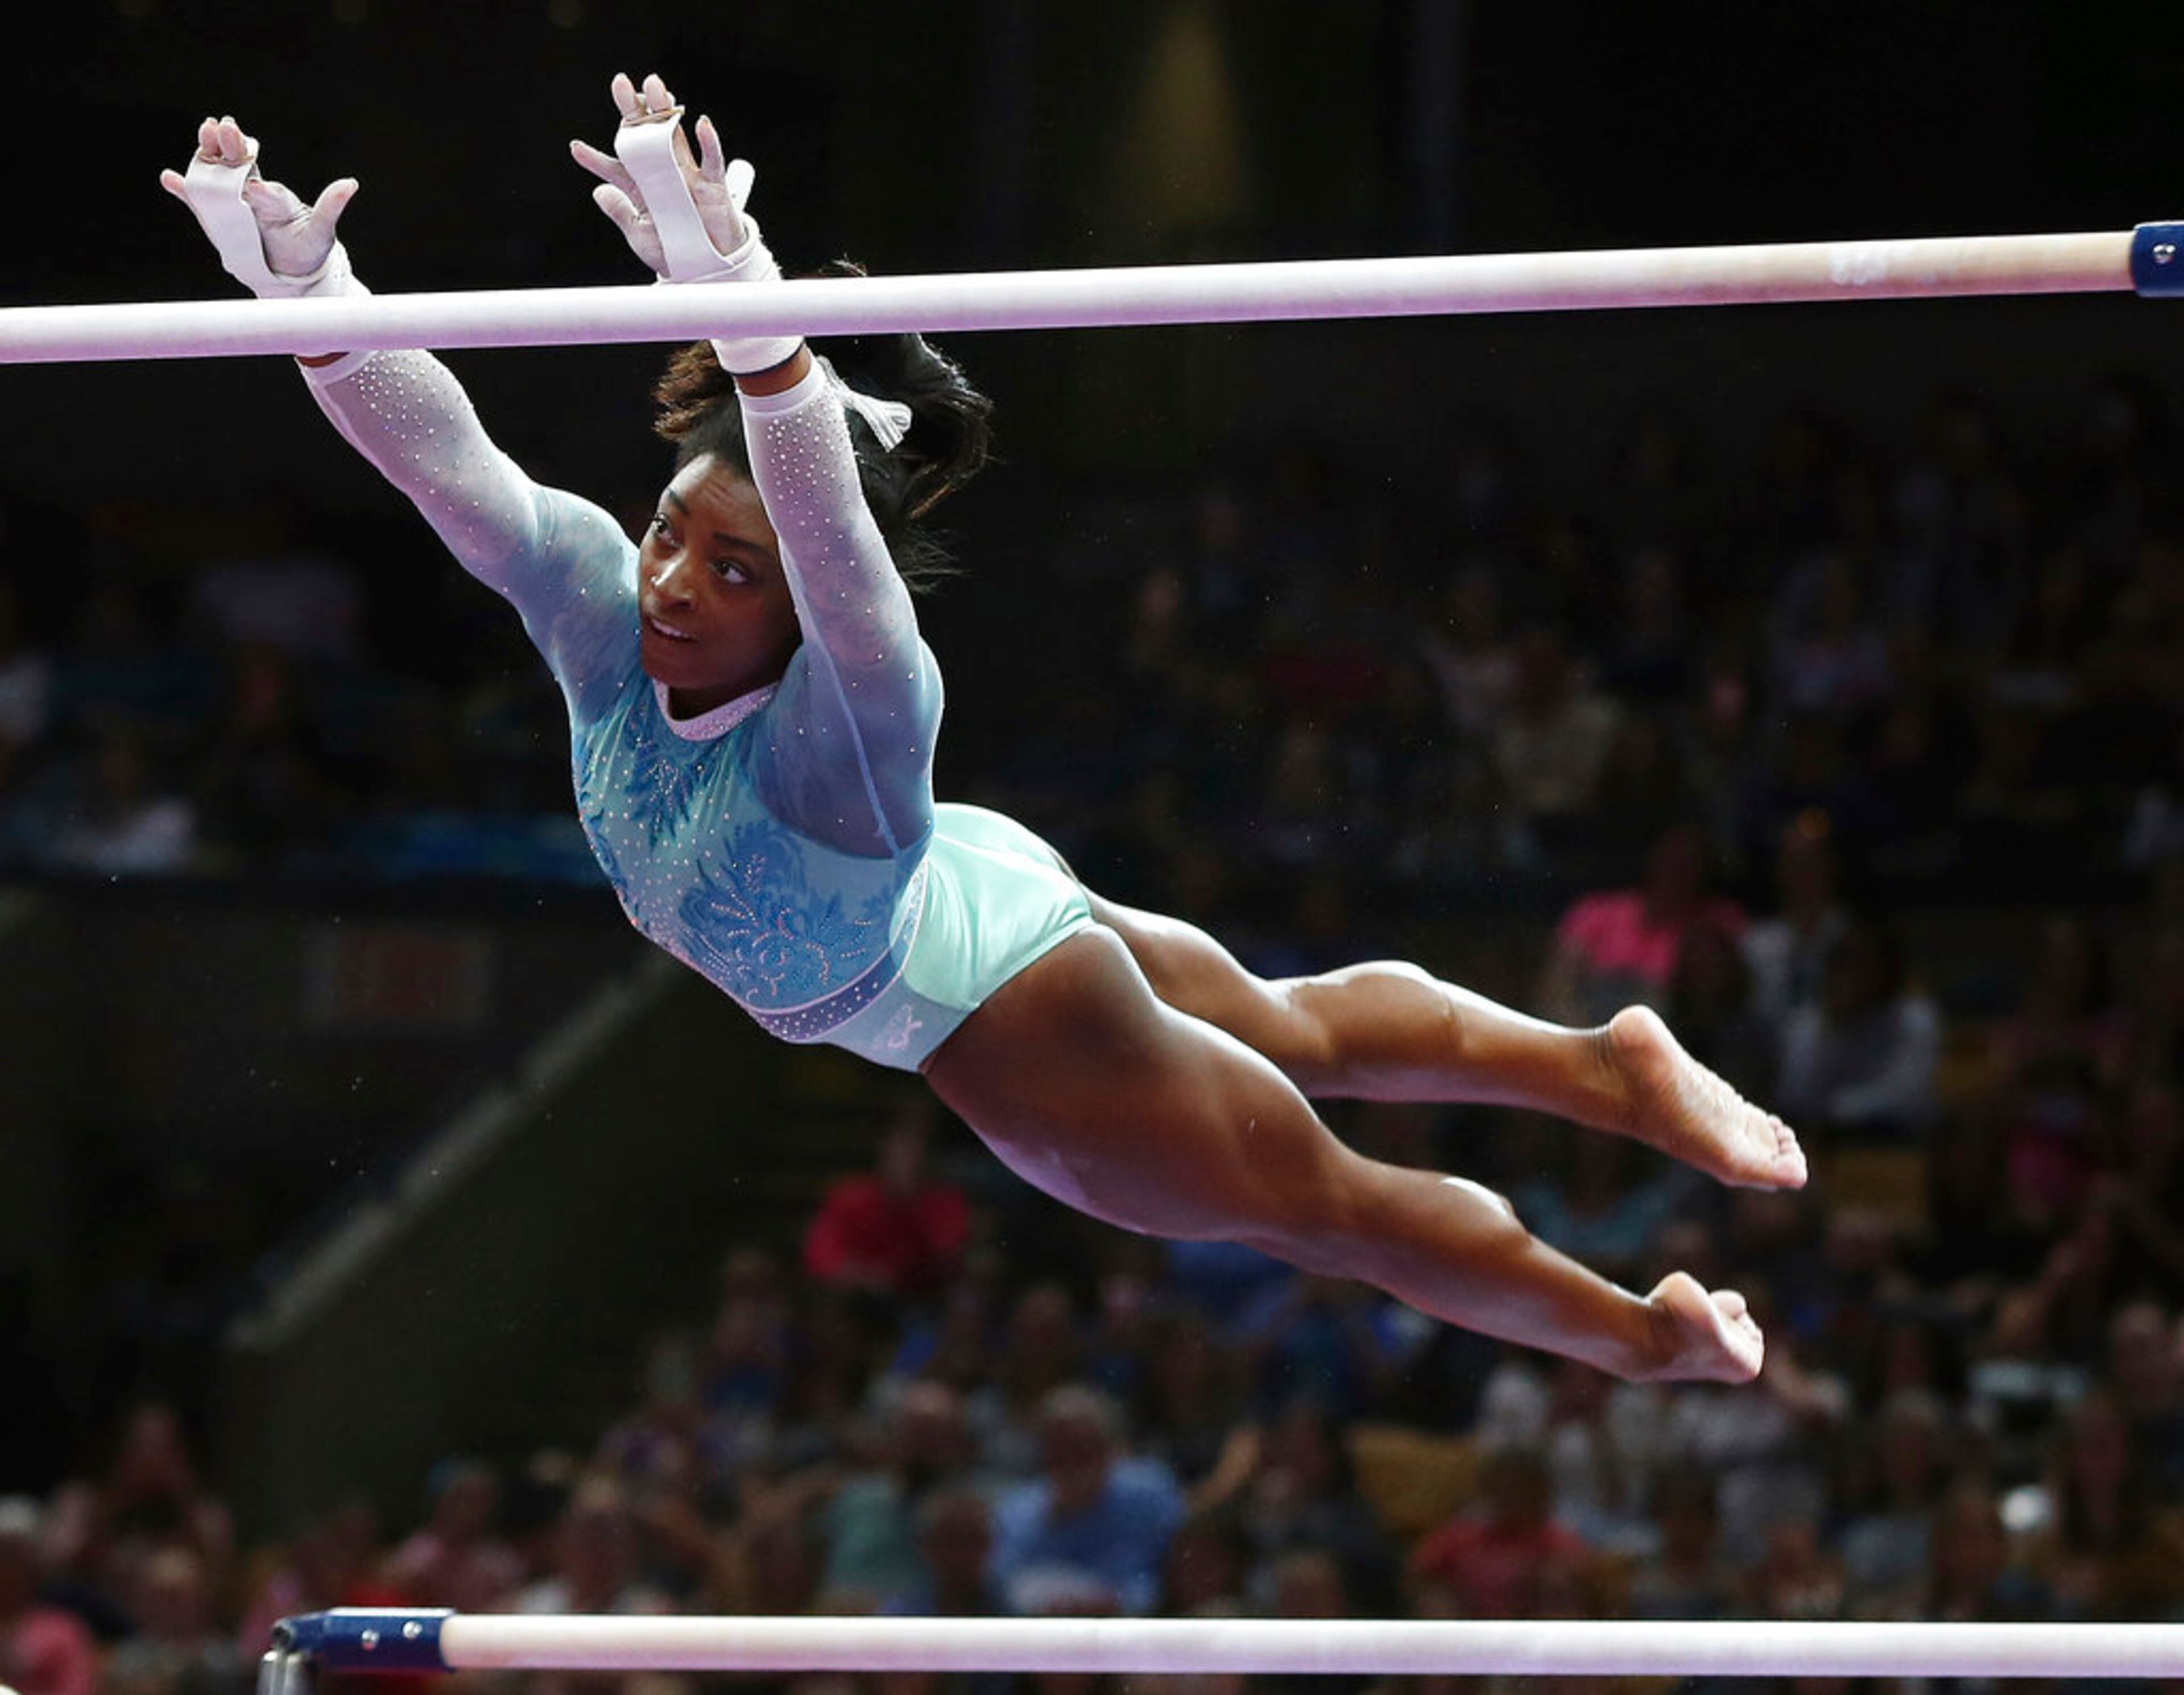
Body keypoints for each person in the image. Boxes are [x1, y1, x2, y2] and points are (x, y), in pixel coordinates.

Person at [162, 73, 1806, 1387]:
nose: (672, 575)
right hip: (968, 901)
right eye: (673, 526)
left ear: (804, 604)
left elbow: (846, 557)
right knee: (1296, 1031)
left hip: (992, 1011)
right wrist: (308, 294)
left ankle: (1640, 1335)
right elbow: (453, 469)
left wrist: (755, 316)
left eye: (738, 568)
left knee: (1336, 1215)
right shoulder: (599, 613)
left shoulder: (849, 715)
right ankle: (1610, 1063)